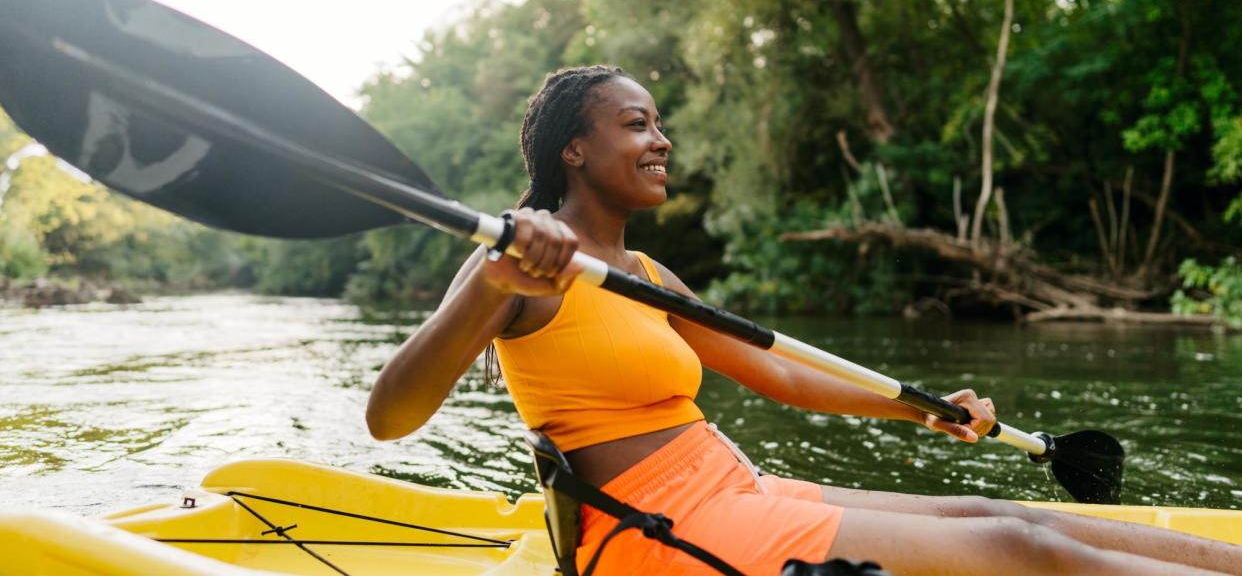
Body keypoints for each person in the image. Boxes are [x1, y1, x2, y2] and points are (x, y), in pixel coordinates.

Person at [367, 66, 1242, 575]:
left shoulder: (646, 274)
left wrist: (922, 407)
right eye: (638, 123)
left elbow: (781, 372)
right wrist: (487, 285)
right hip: (648, 534)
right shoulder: (509, 271)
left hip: (732, 487)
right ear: (574, 150)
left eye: (661, 122)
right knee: (1014, 544)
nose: (662, 138)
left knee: (996, 506)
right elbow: (389, 418)